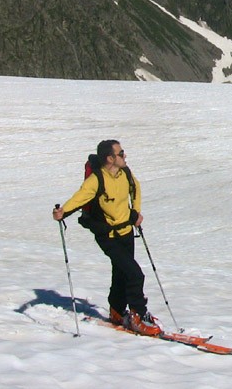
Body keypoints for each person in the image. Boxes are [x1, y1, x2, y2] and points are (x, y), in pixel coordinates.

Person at [52, 139, 162, 336]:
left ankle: (117, 311)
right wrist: (63, 212)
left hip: (126, 231)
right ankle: (139, 315)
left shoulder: (125, 173)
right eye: (121, 154)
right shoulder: (96, 180)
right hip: (108, 235)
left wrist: (135, 213)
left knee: (121, 272)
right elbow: (81, 197)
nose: (124, 156)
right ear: (110, 158)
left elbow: (135, 189)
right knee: (135, 274)